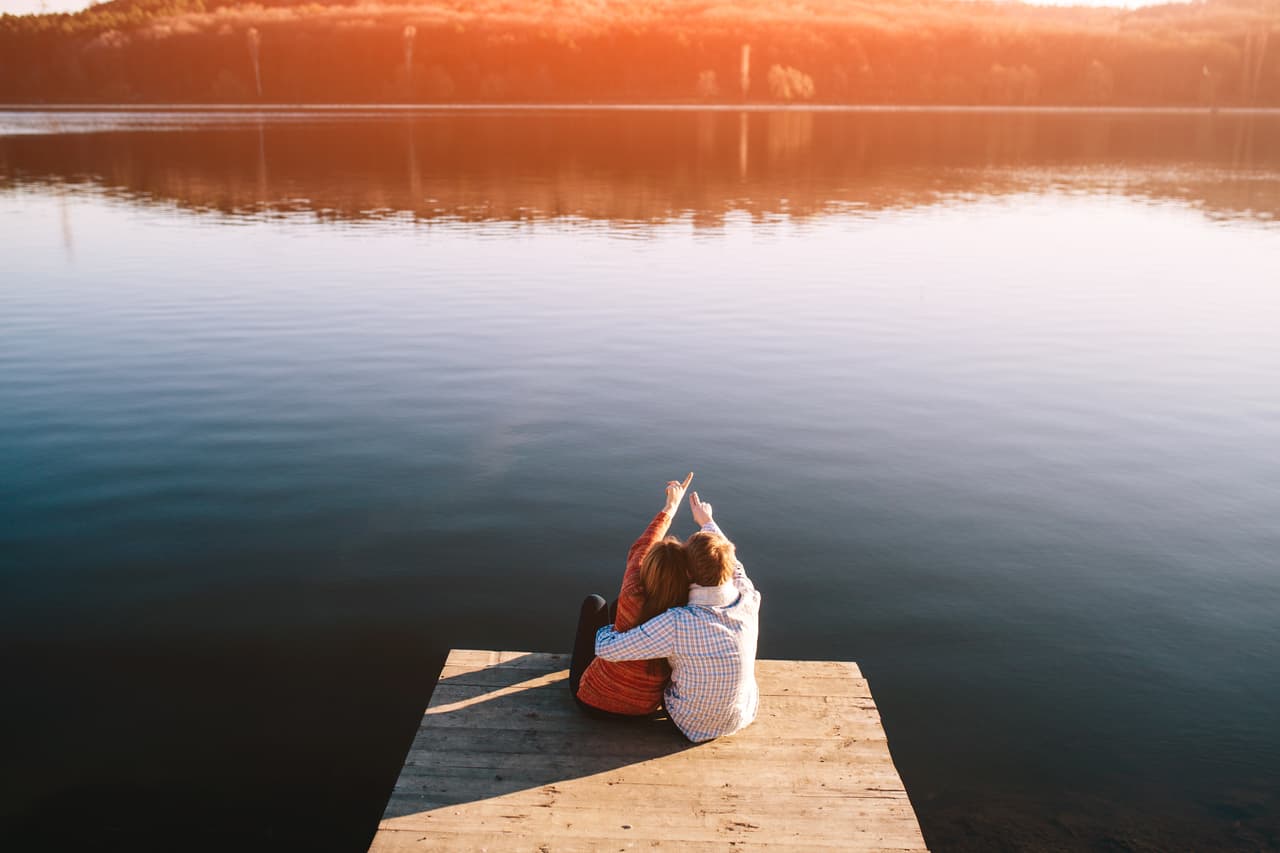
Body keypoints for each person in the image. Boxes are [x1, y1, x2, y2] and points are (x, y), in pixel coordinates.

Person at [594, 489, 761, 742]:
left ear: (688, 574)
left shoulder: (678, 622)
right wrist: (707, 521)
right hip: (741, 715)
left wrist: (612, 626)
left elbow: (606, 648)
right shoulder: (749, 597)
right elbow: (735, 563)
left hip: (690, 724)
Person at [569, 472, 697, 716]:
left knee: (595, 603)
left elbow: (641, 546)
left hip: (593, 701)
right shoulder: (686, 611)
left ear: (648, 568)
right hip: (644, 710)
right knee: (616, 605)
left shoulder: (633, 592)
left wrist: (671, 506)